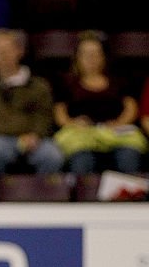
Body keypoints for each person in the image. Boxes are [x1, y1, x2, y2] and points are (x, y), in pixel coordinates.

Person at [0, 29, 63, 182]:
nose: (4, 56)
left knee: (52, 156)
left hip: (34, 137)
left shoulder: (38, 85)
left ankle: (41, 198)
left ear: (19, 51)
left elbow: (44, 116)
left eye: (8, 50)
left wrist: (35, 135)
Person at [52, 33, 146, 175]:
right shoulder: (67, 83)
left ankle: (129, 194)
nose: (91, 59)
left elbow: (131, 107)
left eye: (96, 54)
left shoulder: (118, 81)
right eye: (86, 55)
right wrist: (72, 123)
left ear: (104, 57)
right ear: (77, 58)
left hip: (116, 133)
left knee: (128, 155)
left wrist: (119, 122)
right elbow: (59, 113)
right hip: (81, 135)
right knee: (82, 158)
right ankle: (83, 196)